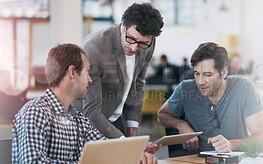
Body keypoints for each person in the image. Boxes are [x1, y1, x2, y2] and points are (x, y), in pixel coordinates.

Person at [12, 44, 157, 163]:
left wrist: (134, 154)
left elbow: (107, 148)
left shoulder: (78, 119)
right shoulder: (35, 112)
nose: (90, 80)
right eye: (87, 72)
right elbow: (32, 162)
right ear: (72, 72)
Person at [157, 42, 263, 153]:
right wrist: (181, 125)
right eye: (197, 74)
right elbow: (162, 115)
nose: (200, 82)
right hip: (194, 160)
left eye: (208, 75)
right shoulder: (186, 89)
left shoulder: (244, 88)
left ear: (223, 73)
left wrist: (231, 144)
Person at [73, 2, 164, 139]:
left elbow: (137, 86)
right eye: (131, 39)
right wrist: (124, 142)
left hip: (117, 118)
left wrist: (133, 136)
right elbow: (91, 112)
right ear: (122, 25)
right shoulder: (94, 48)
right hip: (87, 122)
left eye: (142, 43)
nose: (134, 48)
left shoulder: (149, 44)